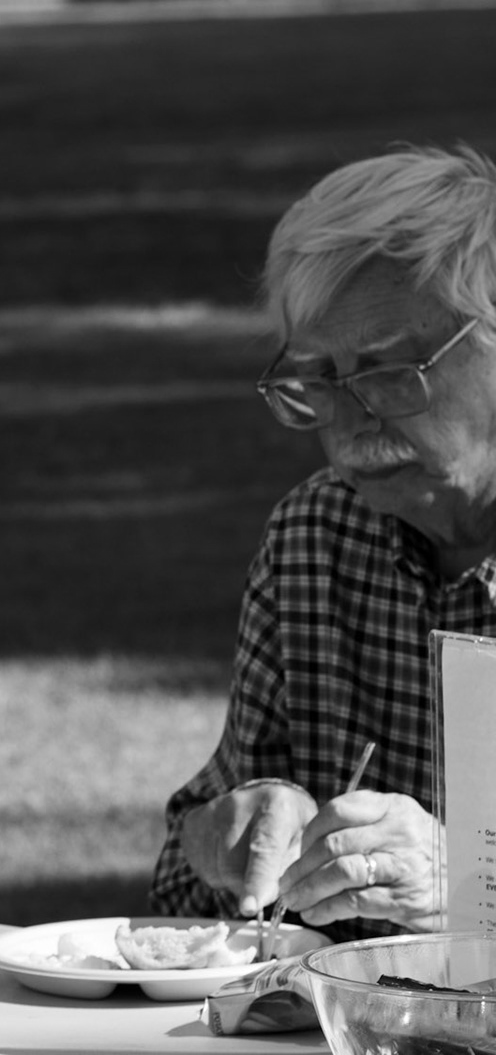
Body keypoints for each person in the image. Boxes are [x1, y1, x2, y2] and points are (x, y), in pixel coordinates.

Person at [148, 144, 496, 941]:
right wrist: (223, 841)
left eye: (390, 372)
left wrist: (467, 886)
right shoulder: (319, 537)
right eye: (320, 380)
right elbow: (182, 902)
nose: (347, 429)